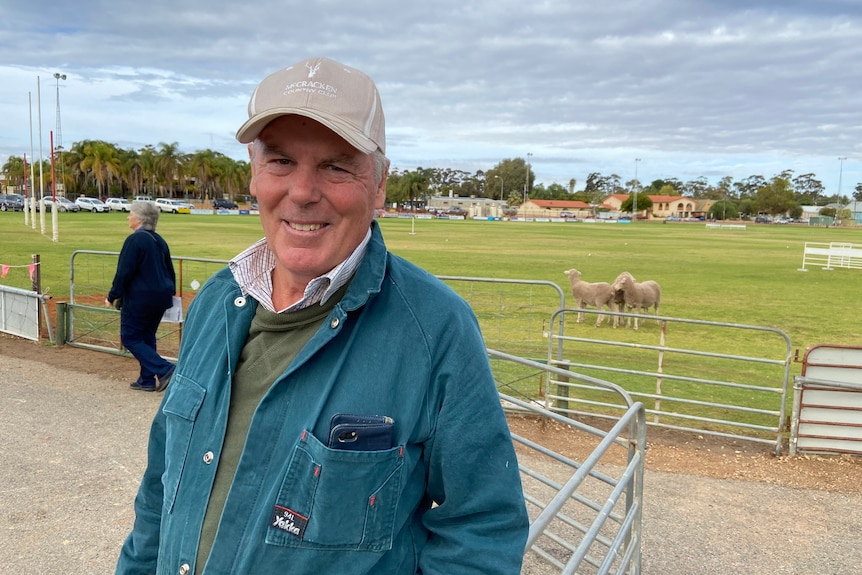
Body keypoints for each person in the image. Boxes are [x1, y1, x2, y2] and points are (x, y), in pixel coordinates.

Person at [115, 56, 529, 574]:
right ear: (253, 171)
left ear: (379, 184)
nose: (303, 192)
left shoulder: (436, 330)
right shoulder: (218, 302)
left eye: (336, 166)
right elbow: (160, 491)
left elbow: (483, 529)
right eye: (281, 162)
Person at [106, 200, 177, 392]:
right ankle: (146, 379)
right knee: (146, 336)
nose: (128, 217)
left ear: (138, 218)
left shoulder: (135, 240)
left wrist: (113, 295)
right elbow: (170, 270)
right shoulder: (159, 240)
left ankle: (166, 370)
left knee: (130, 337)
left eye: (130, 214)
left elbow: (124, 272)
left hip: (141, 297)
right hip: (161, 296)